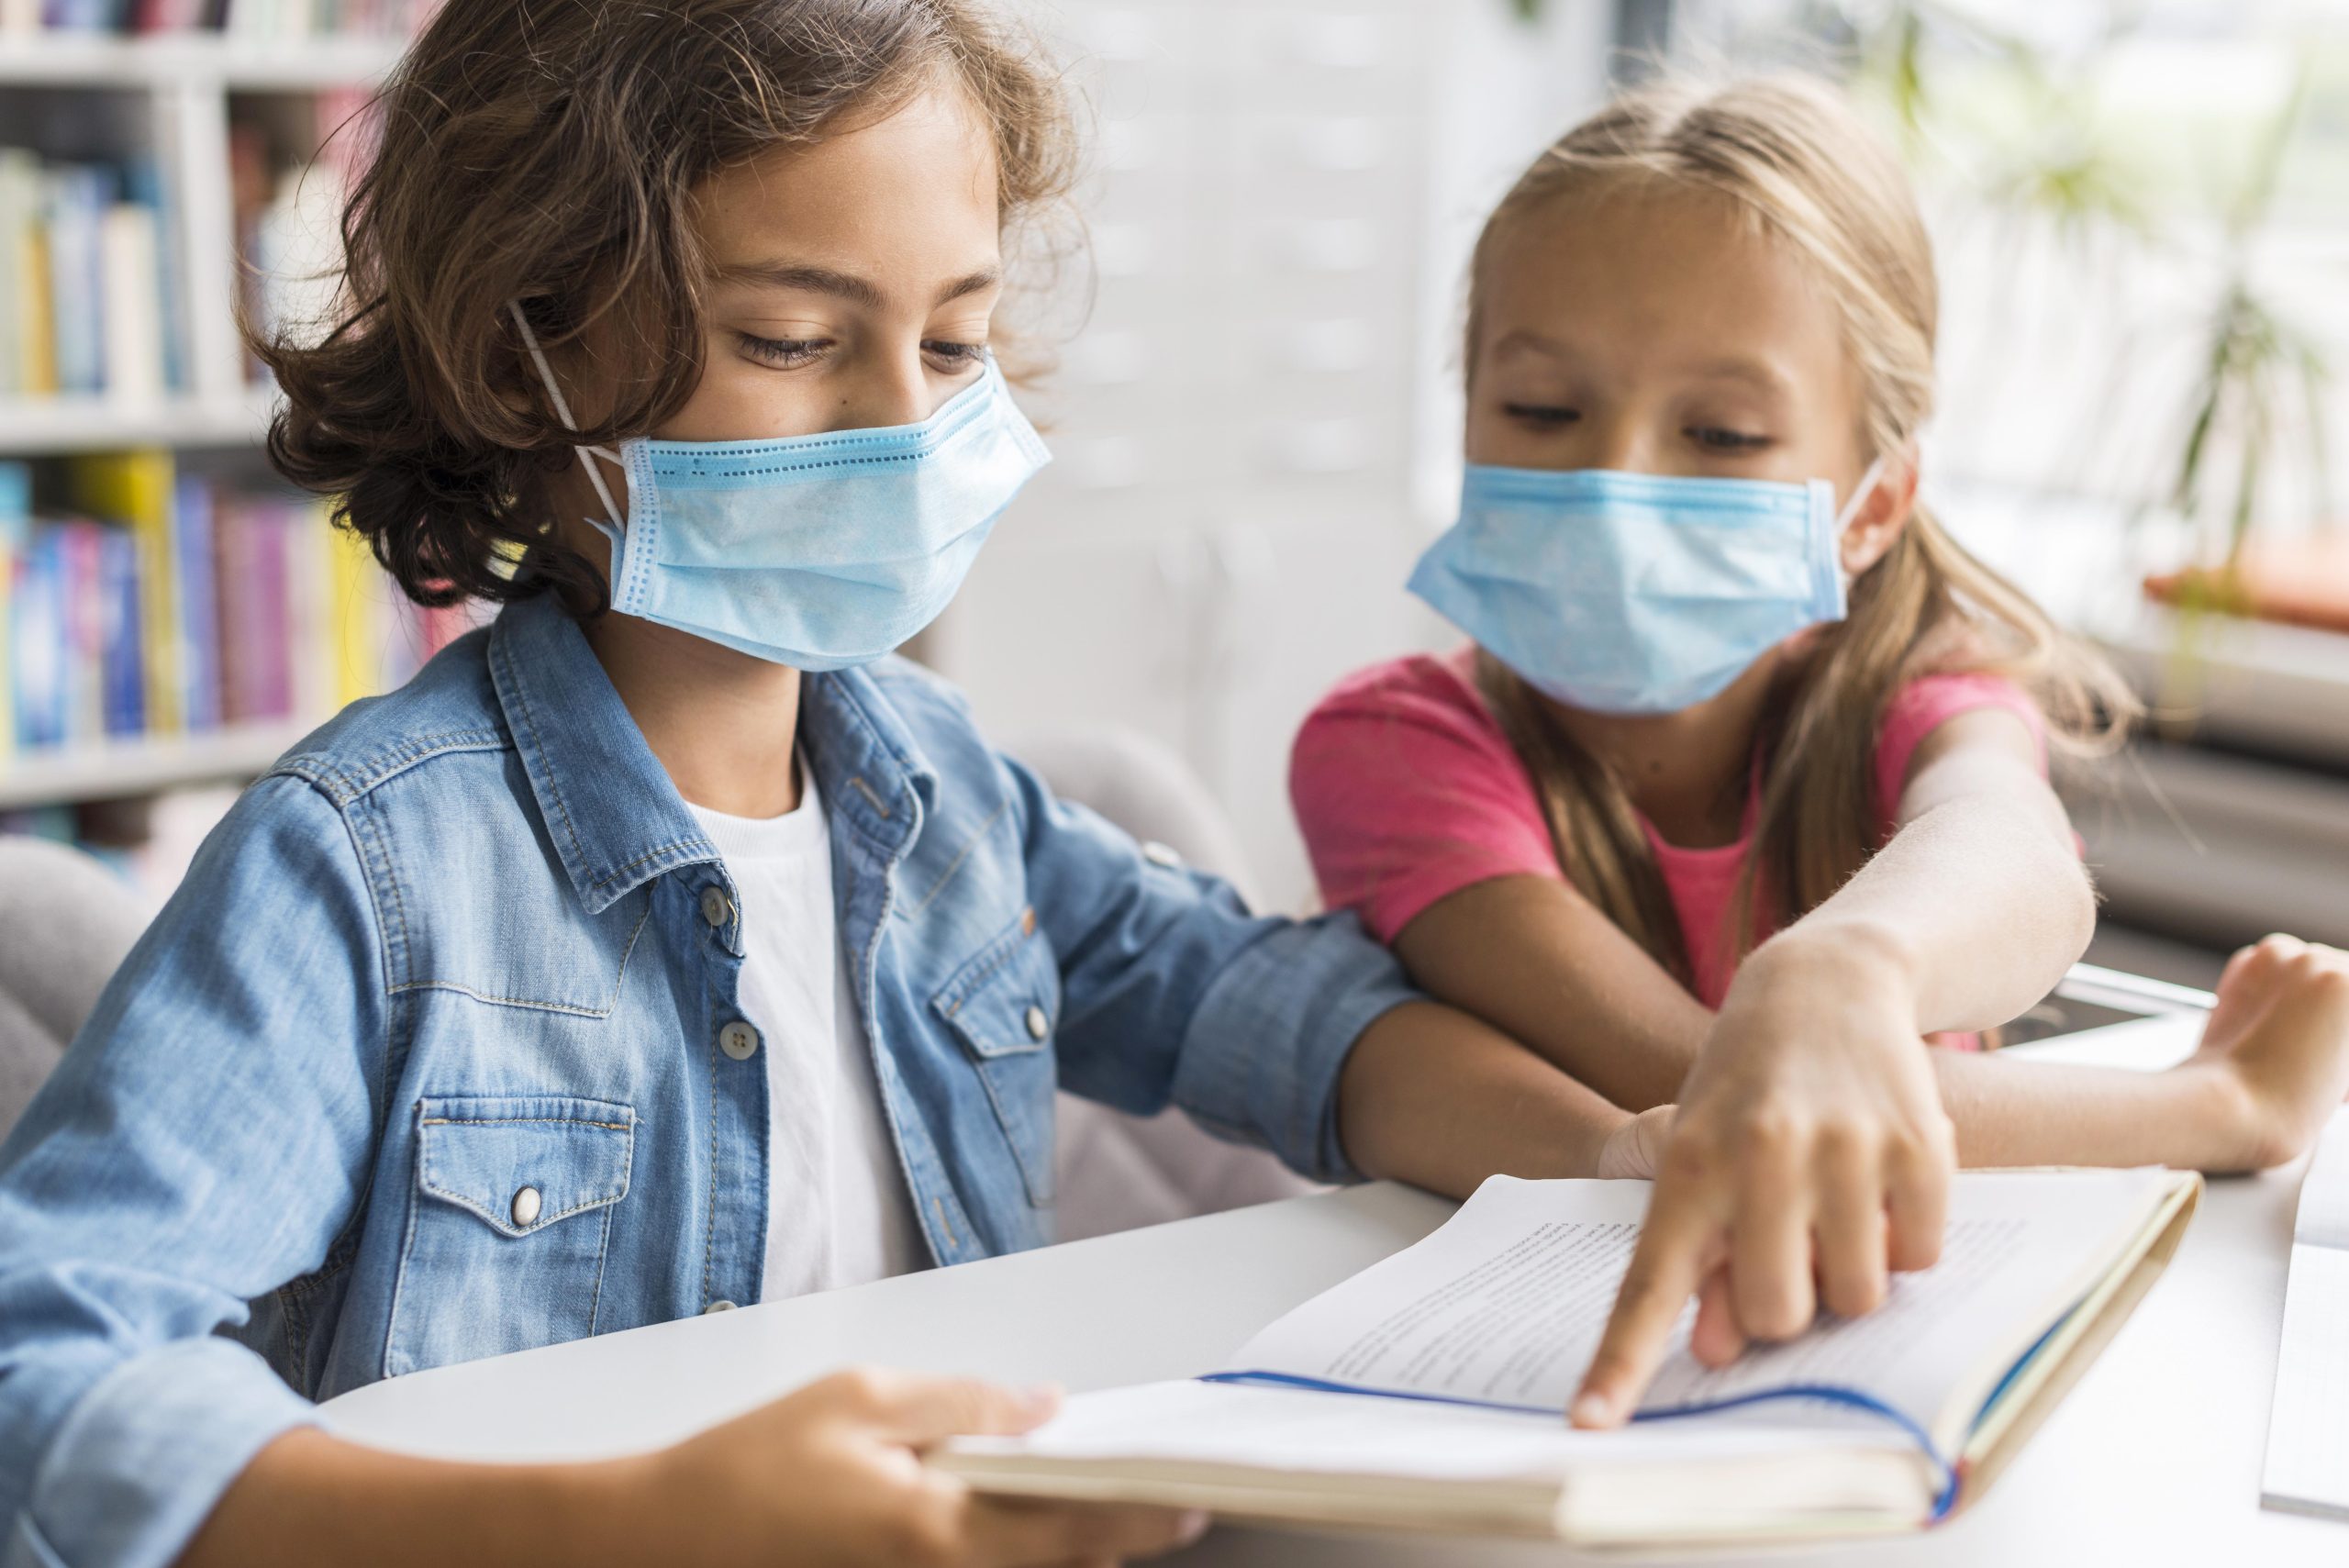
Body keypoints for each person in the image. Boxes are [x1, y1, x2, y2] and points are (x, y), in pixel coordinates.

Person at [0, 6, 1666, 1566]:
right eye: (792, 338)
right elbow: (56, 1365)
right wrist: (640, 1520)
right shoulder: (366, 866)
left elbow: (1279, 1010)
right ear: (525, 358)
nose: (902, 422)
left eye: (953, 342)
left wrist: (1621, 1156)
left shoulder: (943, 793)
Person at [1286, 73, 2349, 1426]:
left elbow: (2017, 861)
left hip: (1885, 1361)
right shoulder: (1392, 745)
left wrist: (1846, 963)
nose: (1619, 479)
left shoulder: (1921, 687)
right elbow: (1725, 1094)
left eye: (1721, 434)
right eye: (1543, 411)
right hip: (1510, 1388)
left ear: (1873, 502)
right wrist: (2214, 1105)